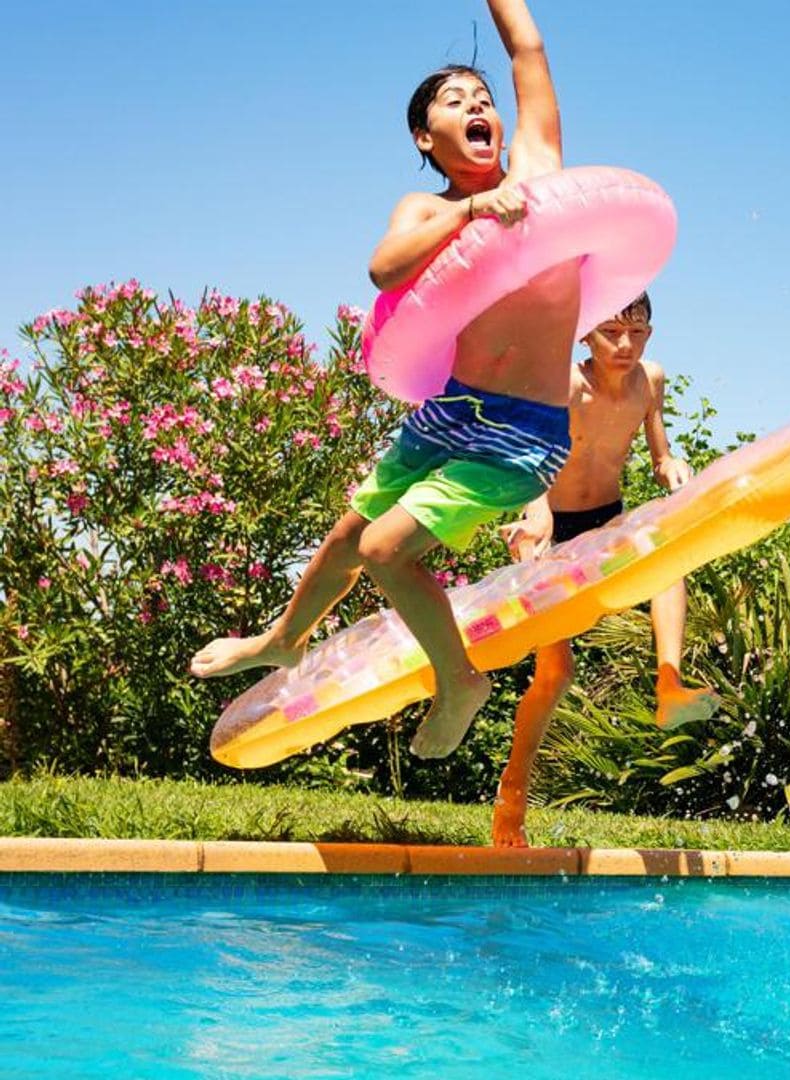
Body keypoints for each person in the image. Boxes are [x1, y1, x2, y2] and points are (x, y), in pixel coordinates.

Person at [189, 0, 576, 760]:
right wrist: (470, 214)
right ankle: (279, 638)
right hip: (448, 412)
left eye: (484, 100)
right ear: (423, 137)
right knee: (346, 535)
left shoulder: (539, 172)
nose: (478, 107)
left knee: (384, 549)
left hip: (520, 429)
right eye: (454, 101)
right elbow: (384, 267)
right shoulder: (429, 207)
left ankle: (460, 679)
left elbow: (526, 47)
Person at [490, 292, 714, 846]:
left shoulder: (649, 381)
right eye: (612, 332)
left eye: (637, 334)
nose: (625, 345)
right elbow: (529, 458)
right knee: (555, 675)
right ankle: (510, 803)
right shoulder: (565, 385)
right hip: (548, 524)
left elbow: (660, 457)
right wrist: (536, 514)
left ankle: (670, 685)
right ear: (585, 334)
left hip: (604, 521)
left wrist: (674, 468)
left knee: (666, 560)